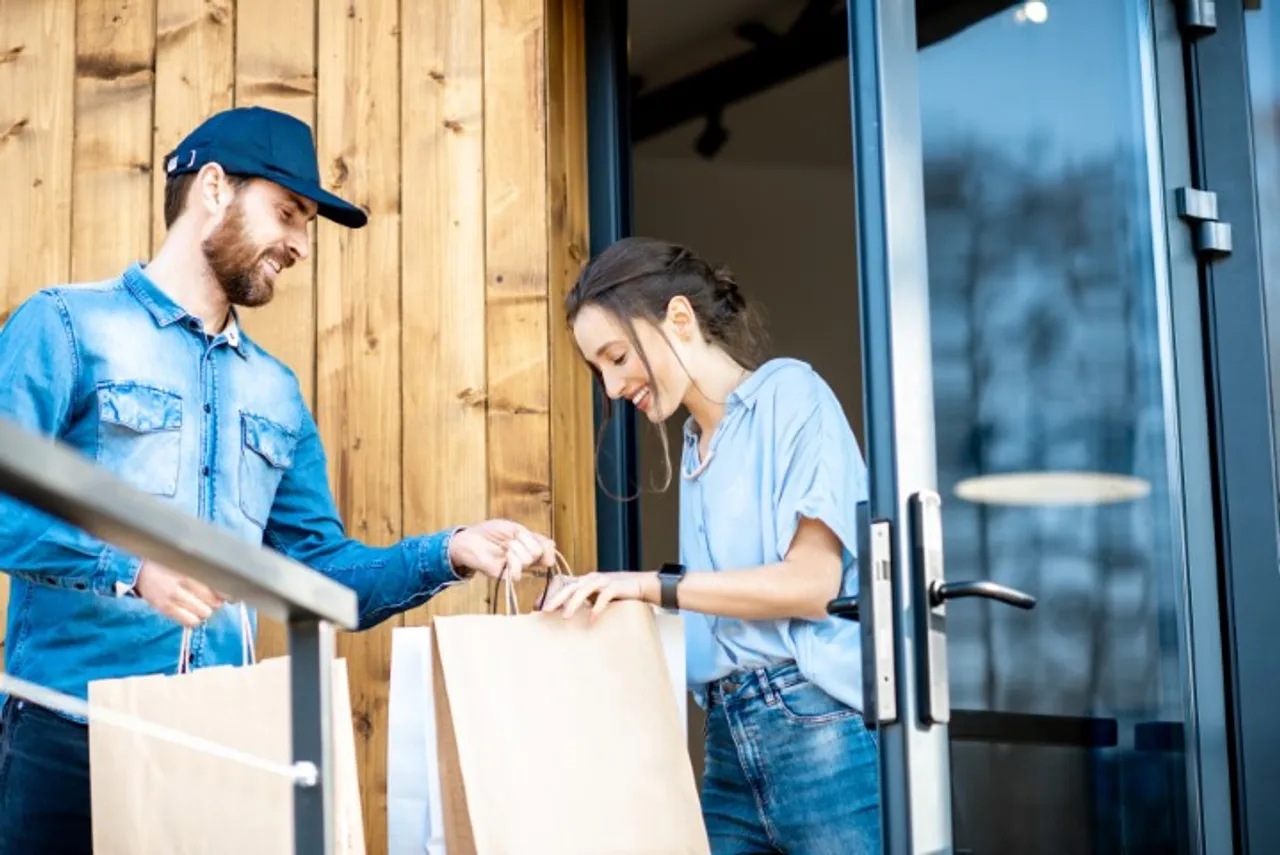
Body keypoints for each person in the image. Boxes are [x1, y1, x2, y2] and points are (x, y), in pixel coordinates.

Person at [0, 106, 557, 855]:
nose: (299, 245)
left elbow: (321, 576)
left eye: (305, 226)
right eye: (288, 213)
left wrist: (452, 549)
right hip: (66, 738)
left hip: (214, 744)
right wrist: (132, 568)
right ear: (214, 187)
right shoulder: (65, 326)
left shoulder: (276, 393)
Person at [542, 236, 880, 854]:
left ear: (679, 318)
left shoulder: (789, 394)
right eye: (600, 371)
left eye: (617, 357)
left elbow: (811, 585)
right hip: (725, 742)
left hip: (817, 730)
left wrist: (650, 585)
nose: (613, 388)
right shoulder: (698, 443)